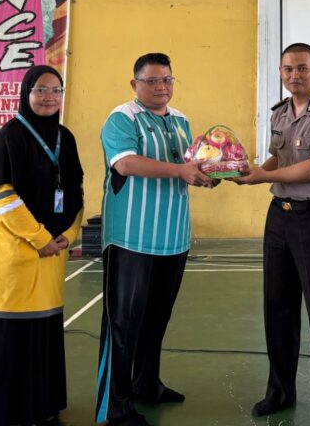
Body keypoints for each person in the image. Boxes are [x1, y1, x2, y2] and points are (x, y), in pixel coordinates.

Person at [0, 64, 85, 426]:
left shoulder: (66, 138)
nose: (49, 97)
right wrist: (40, 238)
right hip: (12, 255)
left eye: (56, 90)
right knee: (8, 331)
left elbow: (76, 192)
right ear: (26, 93)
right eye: (41, 90)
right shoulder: (9, 136)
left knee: (41, 328)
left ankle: (37, 408)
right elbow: (4, 197)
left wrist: (69, 235)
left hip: (51, 255)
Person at [235, 42, 310, 426]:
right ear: (280, 72)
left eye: (302, 68)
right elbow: (280, 158)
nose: (294, 75)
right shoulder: (280, 113)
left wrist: (262, 176)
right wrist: (248, 170)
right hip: (280, 218)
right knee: (278, 308)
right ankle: (280, 391)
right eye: (288, 69)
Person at [94, 52, 216, 426]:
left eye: (167, 80)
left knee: (156, 318)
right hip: (131, 237)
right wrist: (181, 171)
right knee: (123, 323)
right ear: (135, 84)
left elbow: (188, 166)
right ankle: (114, 408)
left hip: (173, 236)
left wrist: (207, 175)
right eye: (151, 81)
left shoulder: (181, 120)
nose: (161, 87)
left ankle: (146, 384)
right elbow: (125, 163)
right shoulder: (122, 118)